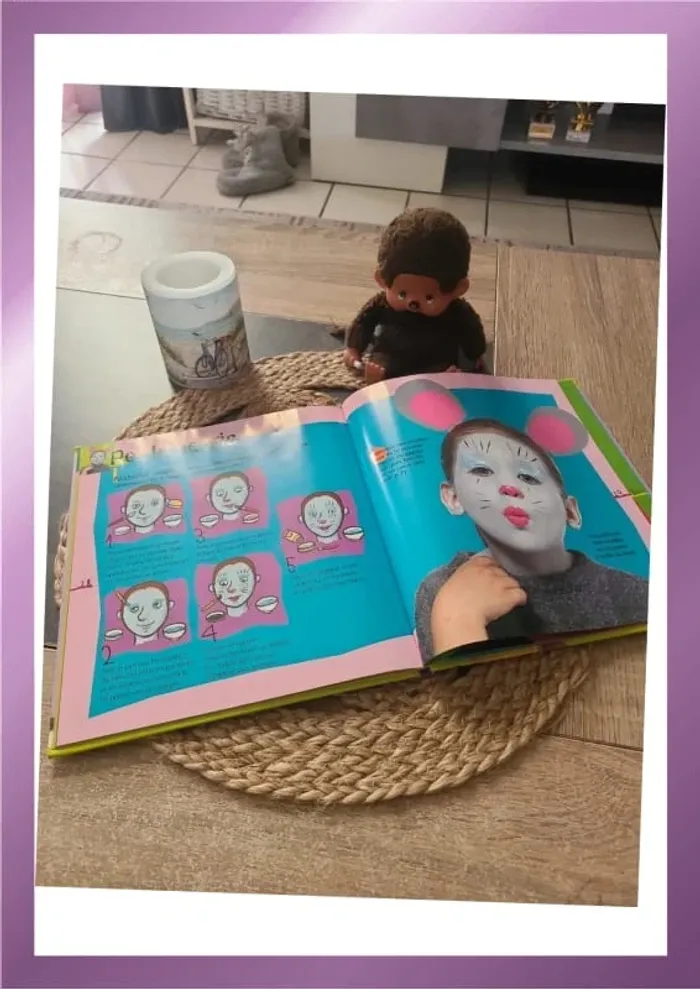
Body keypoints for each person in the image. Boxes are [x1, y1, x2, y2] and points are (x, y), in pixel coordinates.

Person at [414, 418, 649, 661]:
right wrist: (457, 621)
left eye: (528, 477)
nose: (509, 487)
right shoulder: (443, 590)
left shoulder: (636, 594)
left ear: (570, 511)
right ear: (453, 498)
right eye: (482, 470)